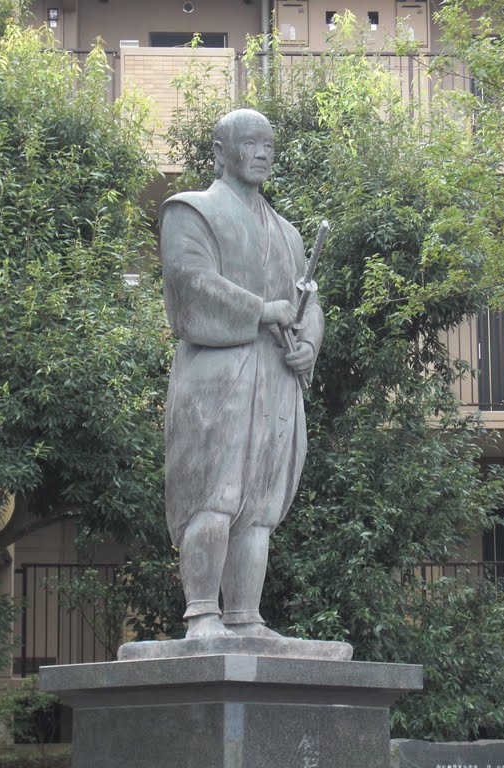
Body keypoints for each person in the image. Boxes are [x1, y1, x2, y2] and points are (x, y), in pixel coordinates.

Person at [160, 108, 324, 639]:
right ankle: (202, 613)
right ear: (220, 151)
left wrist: (308, 345)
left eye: (269, 146)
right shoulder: (191, 211)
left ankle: (245, 617)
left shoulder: (290, 232)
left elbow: (309, 302)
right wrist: (261, 310)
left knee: (260, 505)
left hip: (275, 378)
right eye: (250, 143)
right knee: (216, 494)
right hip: (218, 375)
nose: (262, 153)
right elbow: (190, 284)